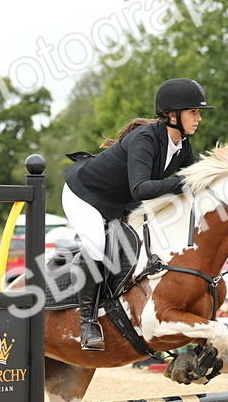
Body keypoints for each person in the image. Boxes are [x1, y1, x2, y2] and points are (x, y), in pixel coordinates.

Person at [62, 78, 212, 350]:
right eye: (194, 112)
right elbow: (142, 188)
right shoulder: (145, 138)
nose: (199, 118)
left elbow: (195, 185)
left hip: (120, 202)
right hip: (85, 195)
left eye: (198, 112)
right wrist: (187, 181)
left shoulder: (183, 147)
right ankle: (87, 322)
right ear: (172, 115)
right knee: (99, 246)